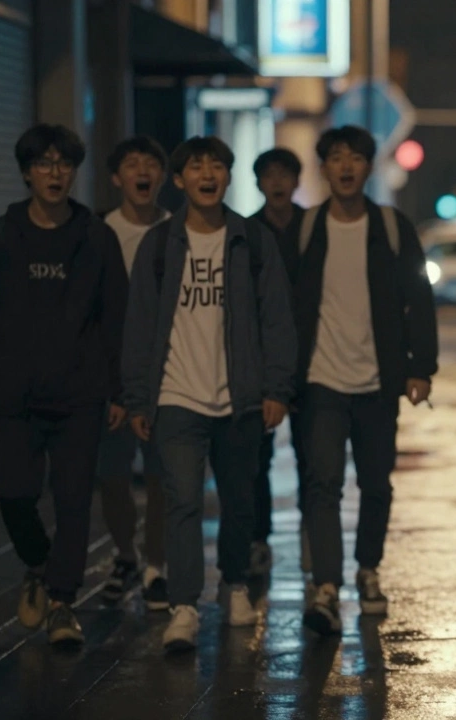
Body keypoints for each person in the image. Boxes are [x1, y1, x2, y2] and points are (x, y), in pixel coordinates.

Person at [120, 136, 297, 652]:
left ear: (227, 176)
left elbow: (277, 320)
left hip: (239, 396)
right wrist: (138, 398)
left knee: (240, 499)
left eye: (215, 165)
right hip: (176, 394)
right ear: (179, 180)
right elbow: (139, 326)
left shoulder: (252, 241)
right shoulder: (159, 244)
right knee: (182, 502)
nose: (206, 174)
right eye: (195, 166)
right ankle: (184, 607)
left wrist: (276, 388)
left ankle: (236, 584)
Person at [0, 124, 129, 647]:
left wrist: (121, 391)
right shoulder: (0, 236)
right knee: (14, 494)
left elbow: (116, 319)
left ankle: (61, 602)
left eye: (64, 164)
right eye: (44, 163)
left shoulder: (96, 238)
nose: (55, 173)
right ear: (26, 173)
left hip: (80, 396)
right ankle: (37, 562)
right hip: (16, 395)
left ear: (74, 172)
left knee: (75, 498)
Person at [294, 125, 438, 635]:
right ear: (324, 167)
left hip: (379, 382)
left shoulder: (392, 227)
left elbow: (419, 300)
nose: (347, 166)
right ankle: (327, 586)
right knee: (322, 483)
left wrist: (421, 367)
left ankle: (368, 569)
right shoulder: (306, 228)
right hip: (320, 381)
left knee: (376, 483)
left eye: (356, 157)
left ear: (369, 167)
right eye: (336, 158)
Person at [98, 135, 172, 609]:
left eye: (151, 163)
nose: (142, 171)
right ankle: (125, 553)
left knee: (163, 474)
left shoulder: (177, 230)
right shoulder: (99, 233)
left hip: (167, 372)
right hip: (111, 375)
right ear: (116, 177)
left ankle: (156, 565)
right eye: (132, 164)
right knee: (112, 475)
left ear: (163, 176)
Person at [247, 147, 307, 578]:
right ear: (259, 182)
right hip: (260, 360)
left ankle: (310, 534)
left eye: (285, 174)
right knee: (256, 458)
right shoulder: (246, 232)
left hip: (310, 361)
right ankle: (258, 539)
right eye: (269, 175)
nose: (278, 182)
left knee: (312, 455)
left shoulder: (313, 228)